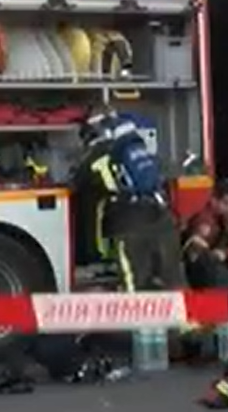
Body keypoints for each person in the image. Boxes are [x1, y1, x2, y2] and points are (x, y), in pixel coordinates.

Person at [72, 106, 182, 290]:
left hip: (129, 222)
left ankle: (142, 318)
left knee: (134, 285)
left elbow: (79, 181)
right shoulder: (136, 147)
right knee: (173, 282)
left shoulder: (99, 152)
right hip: (161, 216)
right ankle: (187, 318)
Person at [181, 178, 228, 289]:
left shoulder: (223, 221)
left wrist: (226, 253)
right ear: (214, 200)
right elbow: (195, 254)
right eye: (226, 203)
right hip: (202, 276)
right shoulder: (203, 220)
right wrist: (218, 255)